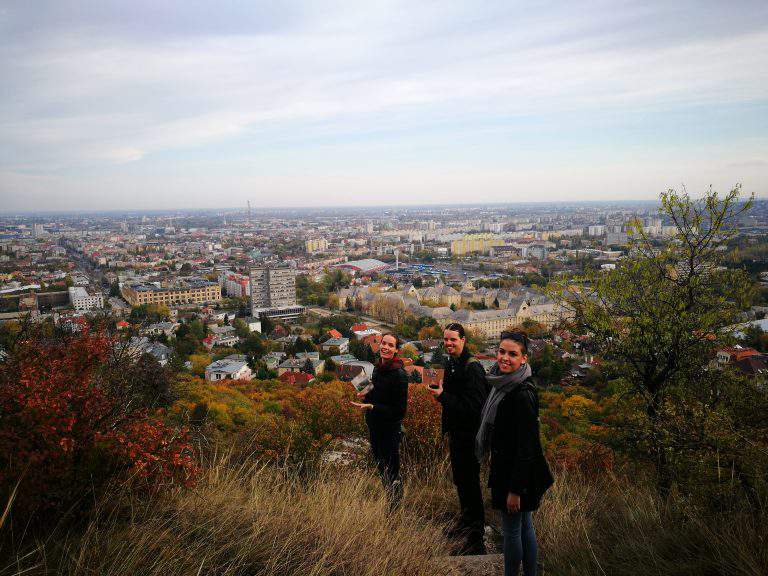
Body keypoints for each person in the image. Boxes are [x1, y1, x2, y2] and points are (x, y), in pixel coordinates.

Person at [476, 331, 553, 576]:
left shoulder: (521, 394)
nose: (505, 358)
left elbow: (526, 446)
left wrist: (515, 490)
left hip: (516, 475)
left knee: (511, 532)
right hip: (514, 470)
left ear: (524, 359)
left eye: (512, 354)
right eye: (501, 352)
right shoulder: (503, 384)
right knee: (524, 526)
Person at [427, 322, 489, 555]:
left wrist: (443, 397)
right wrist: (440, 393)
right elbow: (453, 398)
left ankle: (476, 536)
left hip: (470, 436)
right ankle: (465, 522)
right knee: (460, 481)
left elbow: (475, 408)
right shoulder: (451, 364)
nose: (449, 343)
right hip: (456, 433)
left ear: (463, 340)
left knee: (470, 484)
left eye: (453, 339)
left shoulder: (472, 368)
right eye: (446, 340)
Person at [351, 332, 409, 506]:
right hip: (375, 426)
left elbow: (399, 411)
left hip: (390, 430)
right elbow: (377, 393)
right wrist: (366, 393)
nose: (386, 347)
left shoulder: (399, 374)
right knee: (381, 469)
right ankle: (390, 502)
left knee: (392, 471)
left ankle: (395, 508)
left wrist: (373, 407)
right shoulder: (378, 368)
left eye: (391, 345)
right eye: (384, 343)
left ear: (396, 350)